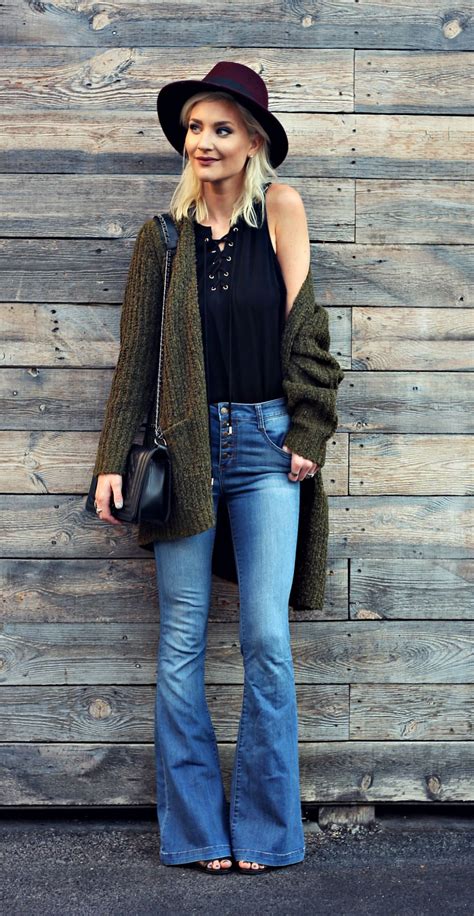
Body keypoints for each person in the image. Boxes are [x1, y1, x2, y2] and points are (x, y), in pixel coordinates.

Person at [91, 62, 345, 875]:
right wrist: (112, 461)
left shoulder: (281, 209)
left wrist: (309, 426)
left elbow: (308, 330)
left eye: (221, 129)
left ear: (254, 141)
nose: (203, 141)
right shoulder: (162, 238)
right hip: (186, 452)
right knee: (181, 642)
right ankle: (197, 831)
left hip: (267, 447)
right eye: (195, 128)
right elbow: (137, 357)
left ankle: (266, 832)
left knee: (266, 637)